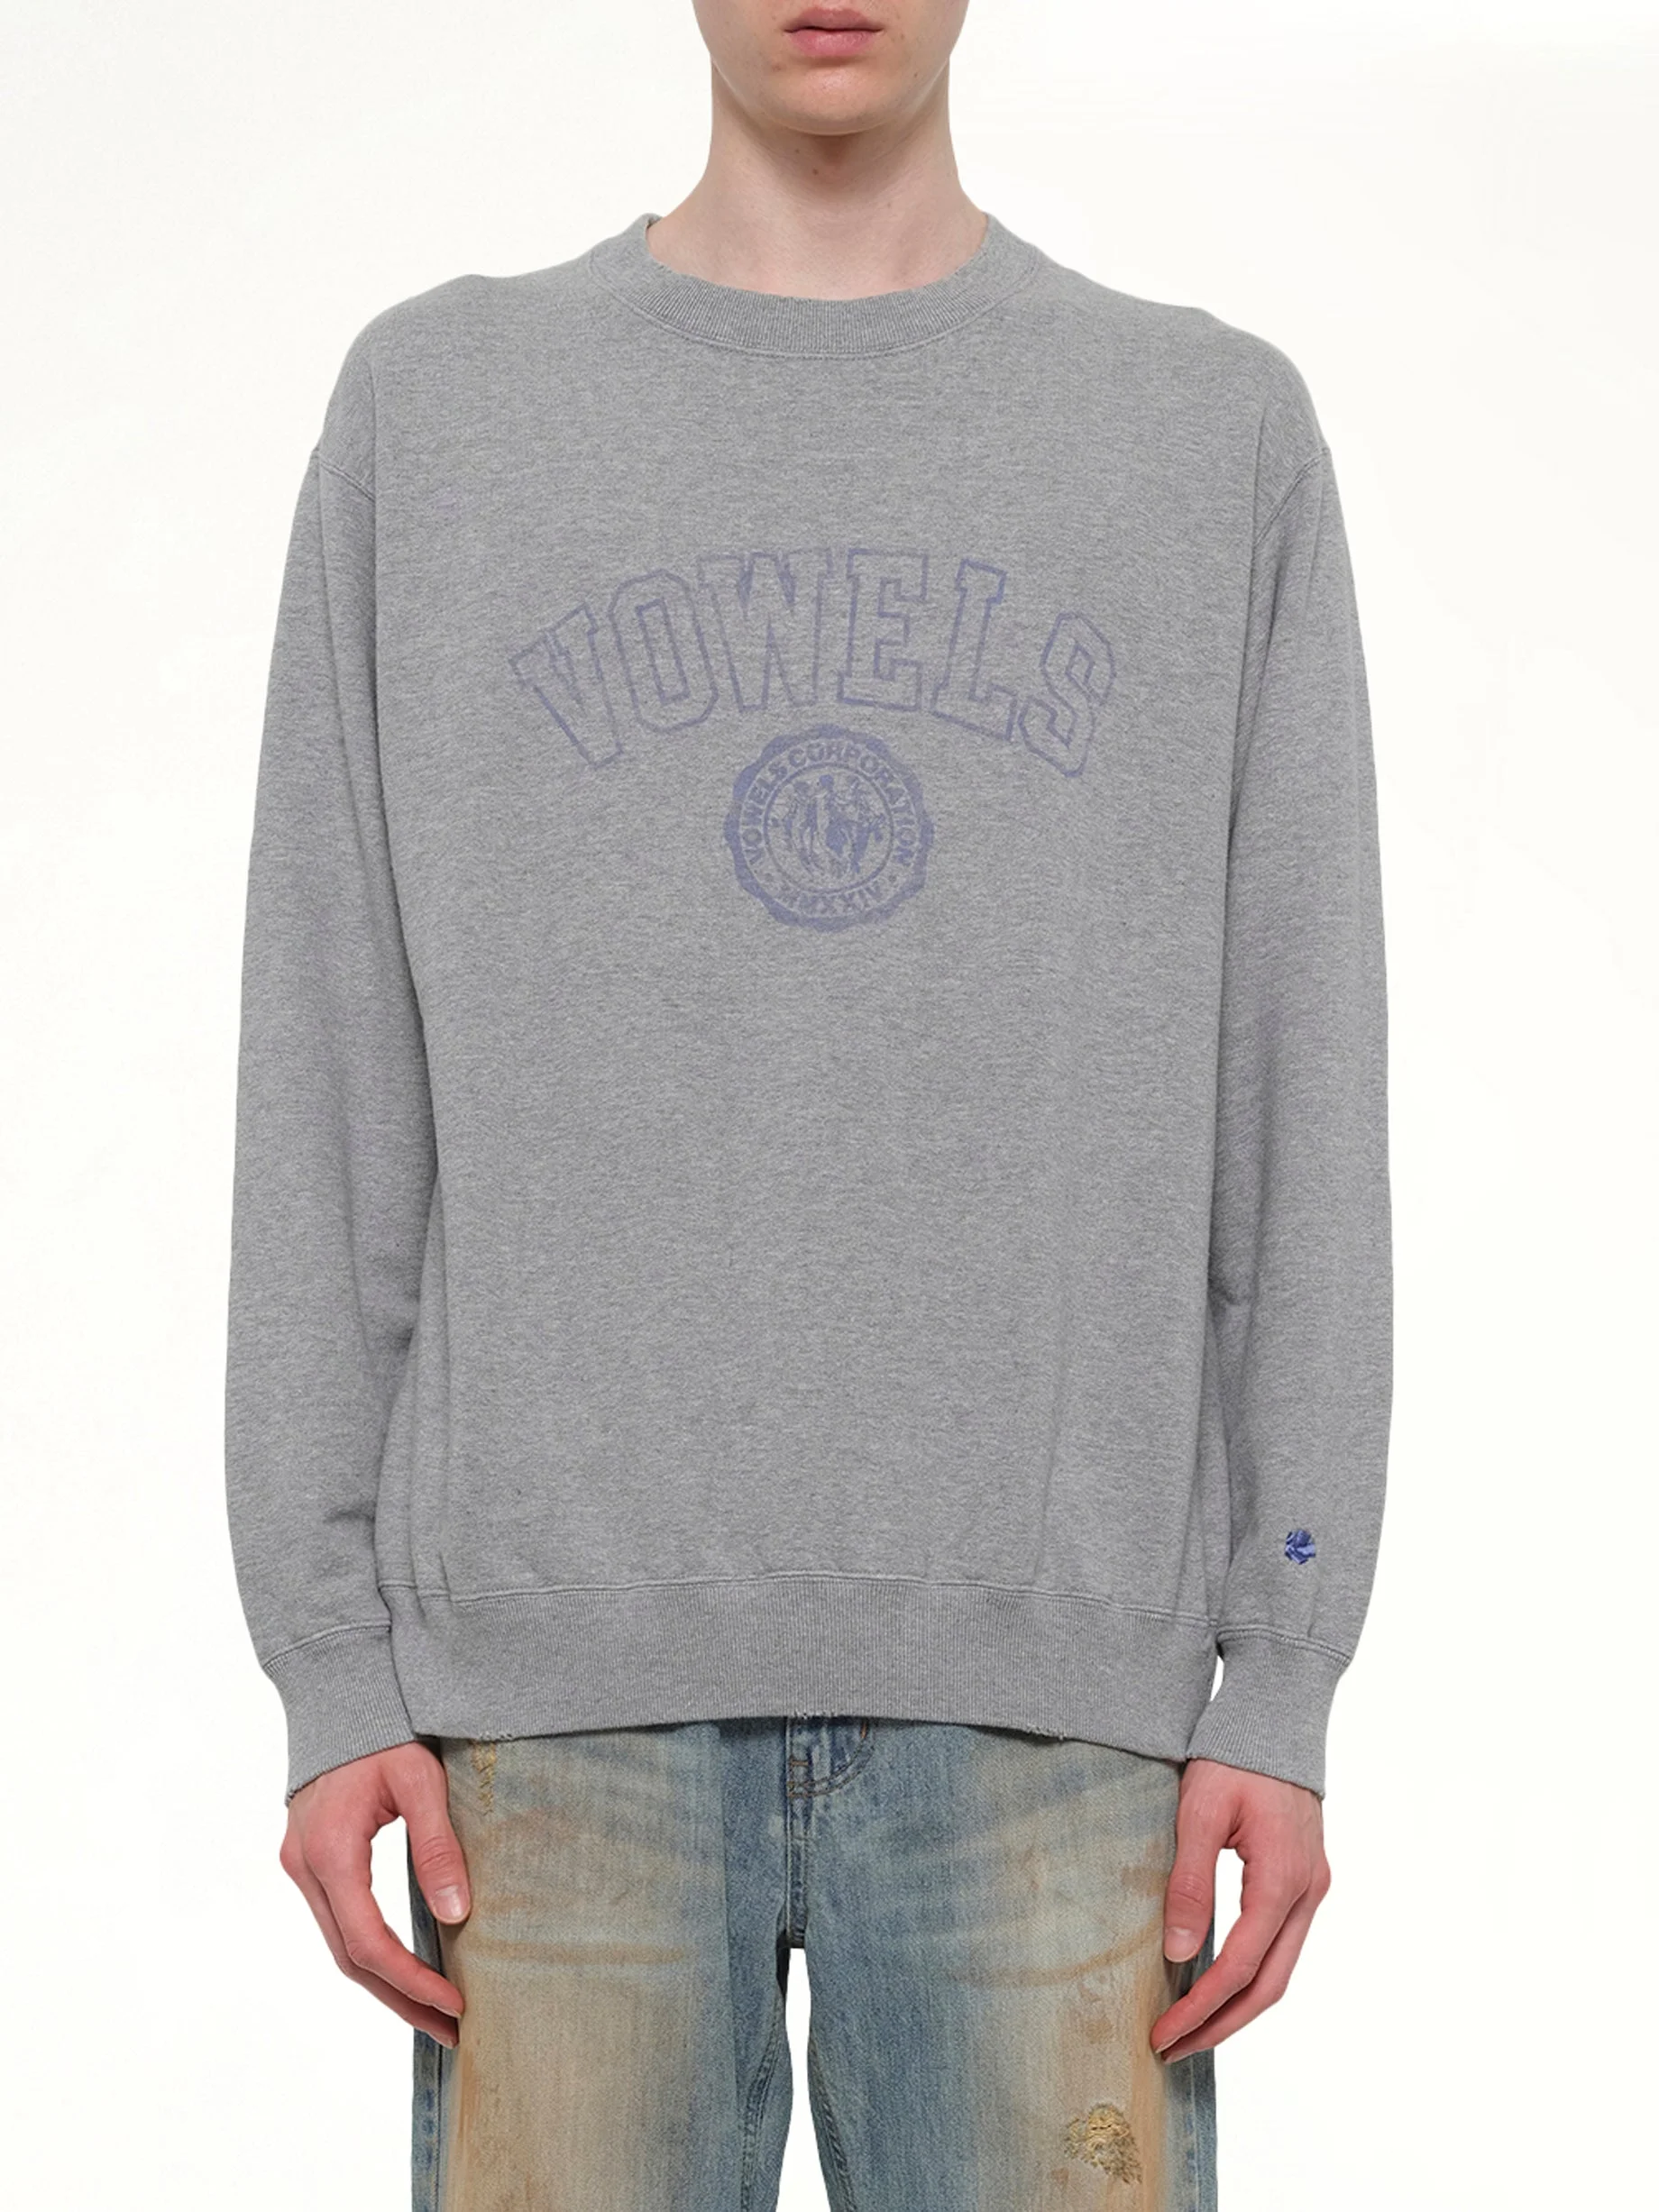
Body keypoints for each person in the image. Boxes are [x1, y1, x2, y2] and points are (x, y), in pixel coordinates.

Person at [224, 4, 1391, 2205]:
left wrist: (1287, 1660)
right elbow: (329, 1050)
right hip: (542, 1725)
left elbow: (1295, 1077)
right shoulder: (442, 414)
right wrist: (328, 1659)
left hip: (1061, 1721)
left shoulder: (1200, 433)